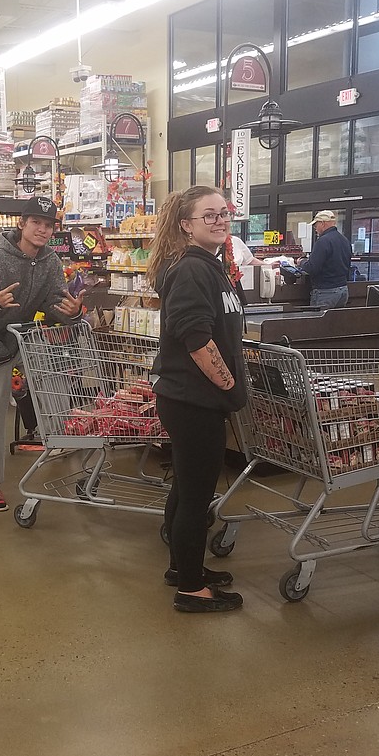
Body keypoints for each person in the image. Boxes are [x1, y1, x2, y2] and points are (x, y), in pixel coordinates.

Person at [148, 186, 247, 614]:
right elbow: (196, 338)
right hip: (193, 400)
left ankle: (182, 567)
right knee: (195, 495)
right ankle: (190, 588)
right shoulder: (191, 269)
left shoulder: (211, 265)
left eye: (224, 213)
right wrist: (227, 386)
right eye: (209, 215)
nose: (220, 220)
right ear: (186, 225)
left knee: (188, 488)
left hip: (191, 398)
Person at [0, 196, 85, 512]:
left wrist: (73, 312)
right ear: (22, 224)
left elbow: (55, 307)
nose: (42, 230)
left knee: (57, 375)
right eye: (36, 223)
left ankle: (56, 439)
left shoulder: (51, 262)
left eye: (48, 225)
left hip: (21, 341)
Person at [297, 210, 352, 310]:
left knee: (318, 324)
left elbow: (312, 268)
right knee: (335, 324)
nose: (315, 229)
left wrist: (301, 262)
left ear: (322, 223)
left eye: (315, 225)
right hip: (343, 290)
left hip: (326, 291)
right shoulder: (344, 240)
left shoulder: (323, 241)